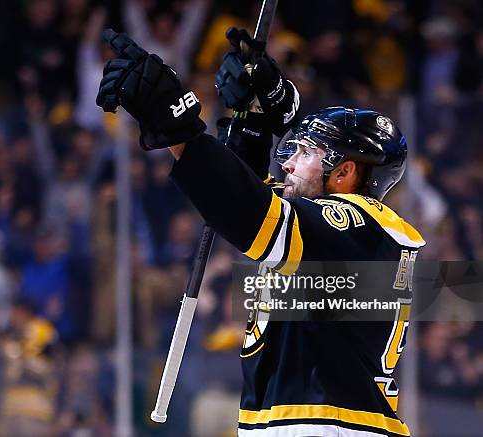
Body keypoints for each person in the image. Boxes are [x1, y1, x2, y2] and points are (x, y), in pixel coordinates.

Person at [96, 29, 425, 437]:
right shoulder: (334, 232)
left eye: (306, 153)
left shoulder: (358, 225)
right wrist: (260, 121)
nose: (287, 163)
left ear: (345, 172)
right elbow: (244, 196)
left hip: (327, 428)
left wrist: (173, 119)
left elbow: (246, 210)